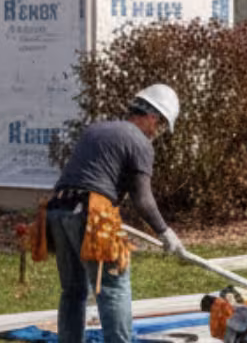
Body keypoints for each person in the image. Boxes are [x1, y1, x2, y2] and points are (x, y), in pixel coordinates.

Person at [45, 84, 184, 343]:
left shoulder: (96, 130)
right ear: (152, 117)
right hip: (89, 214)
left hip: (57, 209)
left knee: (73, 291)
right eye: (162, 125)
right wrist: (165, 233)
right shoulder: (139, 142)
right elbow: (142, 199)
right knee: (114, 288)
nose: (159, 132)